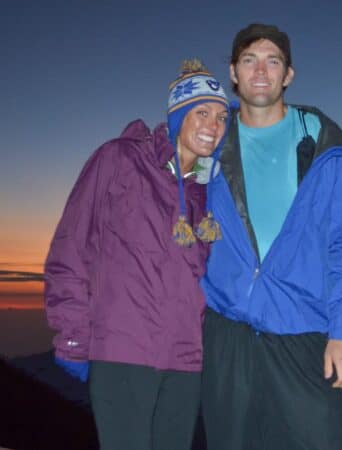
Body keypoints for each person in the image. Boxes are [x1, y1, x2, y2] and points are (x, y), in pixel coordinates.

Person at [200, 23, 342, 449]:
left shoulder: (326, 149)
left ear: (288, 75)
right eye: (249, 60)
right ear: (234, 72)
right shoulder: (210, 142)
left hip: (302, 333)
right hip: (227, 334)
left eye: (272, 60)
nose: (261, 70)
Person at [44, 59, 230, 450]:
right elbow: (71, 247)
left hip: (186, 362)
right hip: (124, 351)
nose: (214, 125)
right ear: (178, 115)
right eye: (202, 112)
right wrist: (73, 337)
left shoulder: (207, 196)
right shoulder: (120, 160)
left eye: (221, 116)